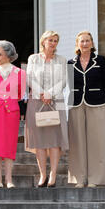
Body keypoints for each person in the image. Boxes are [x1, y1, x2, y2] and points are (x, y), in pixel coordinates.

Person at [24, 30, 69, 188]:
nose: (53, 43)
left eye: (56, 40)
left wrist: (51, 93)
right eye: (50, 40)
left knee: (54, 141)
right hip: (37, 101)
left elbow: (64, 80)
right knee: (40, 141)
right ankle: (43, 174)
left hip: (56, 102)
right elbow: (29, 77)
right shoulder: (33, 58)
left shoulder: (62, 60)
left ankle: (53, 174)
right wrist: (42, 93)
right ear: (43, 41)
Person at [67, 31, 105, 188]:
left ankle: (95, 179)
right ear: (77, 44)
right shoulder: (70, 63)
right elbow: (69, 84)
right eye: (82, 41)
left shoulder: (100, 60)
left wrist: (99, 96)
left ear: (92, 43)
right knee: (77, 141)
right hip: (76, 103)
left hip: (96, 103)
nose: (84, 44)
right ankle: (80, 178)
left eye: (87, 41)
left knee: (96, 141)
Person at [0, 41, 26, 188]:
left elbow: (20, 94)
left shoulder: (20, 73)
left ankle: (9, 179)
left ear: (9, 54)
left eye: (0, 54)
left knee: (9, 145)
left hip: (11, 112)